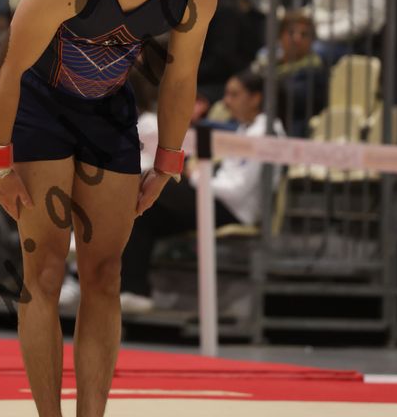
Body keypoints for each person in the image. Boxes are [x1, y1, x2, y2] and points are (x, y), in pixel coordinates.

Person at [0, 0, 218, 417]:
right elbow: (9, 66)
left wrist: (168, 162)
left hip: (108, 110)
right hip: (39, 107)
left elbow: (180, 78)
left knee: (106, 271)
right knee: (44, 268)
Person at [119, 70, 283, 311]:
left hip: (233, 209)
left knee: (151, 189)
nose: (226, 101)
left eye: (234, 94)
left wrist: (197, 176)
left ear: (255, 98)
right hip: (215, 197)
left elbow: (236, 190)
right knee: (144, 212)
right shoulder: (245, 129)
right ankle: (134, 290)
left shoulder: (266, 132)